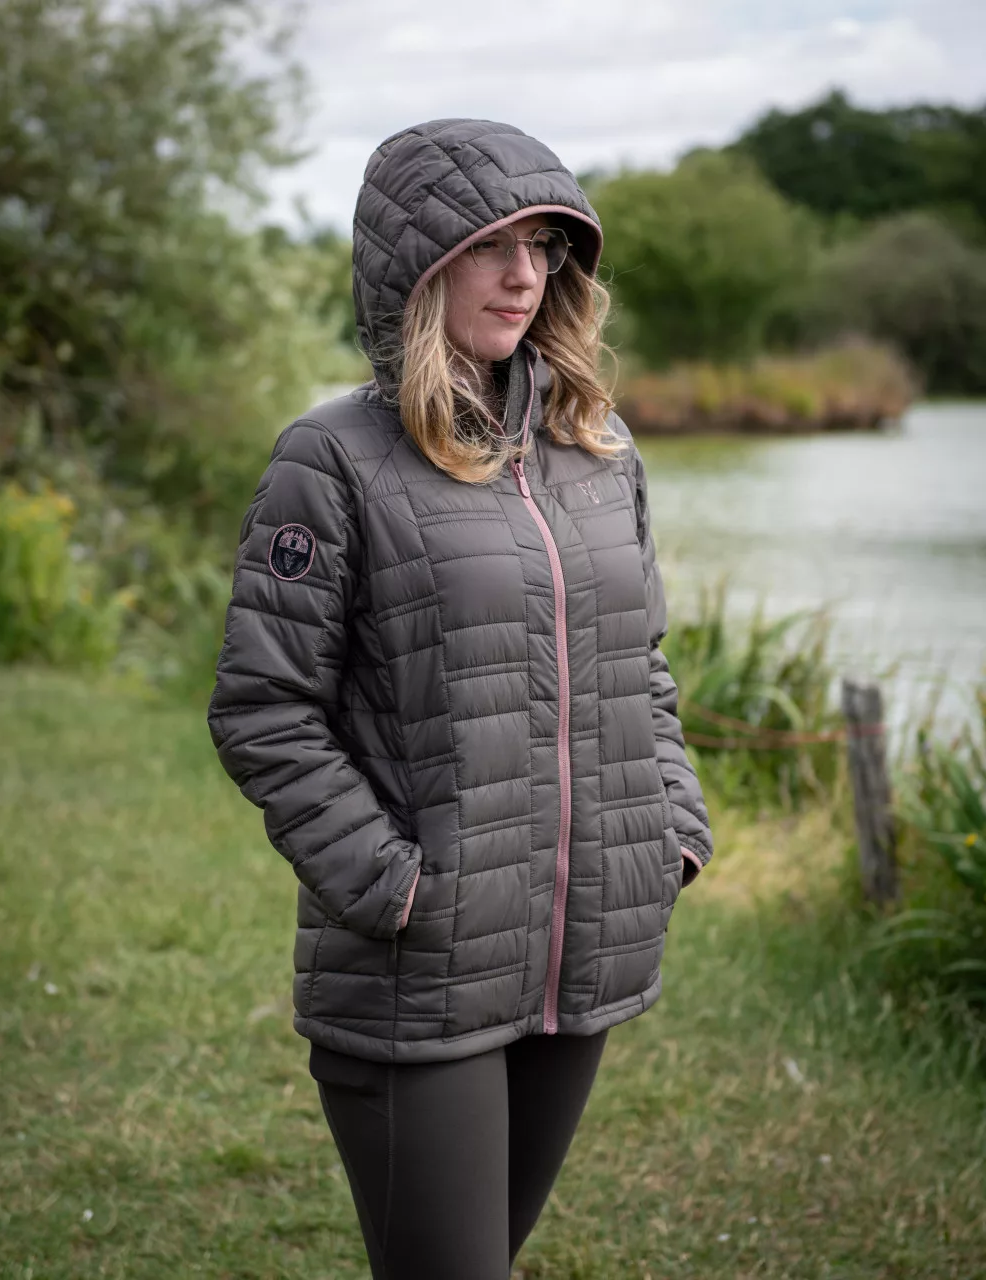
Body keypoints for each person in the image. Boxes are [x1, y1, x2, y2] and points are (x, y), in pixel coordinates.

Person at [207, 118, 714, 1280]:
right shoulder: (334, 456)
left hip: (582, 958)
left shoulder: (601, 449)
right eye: (489, 244)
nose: (523, 274)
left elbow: (641, 663)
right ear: (415, 263)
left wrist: (669, 831)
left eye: (543, 246)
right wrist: (394, 885)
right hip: (416, 969)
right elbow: (263, 706)